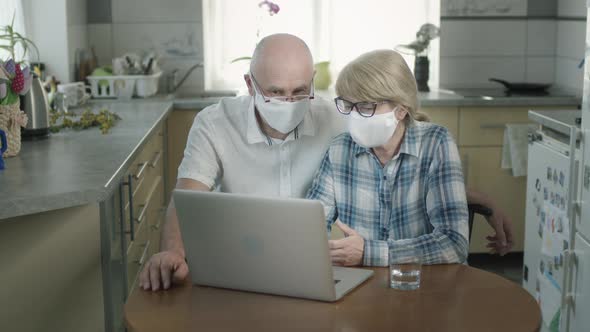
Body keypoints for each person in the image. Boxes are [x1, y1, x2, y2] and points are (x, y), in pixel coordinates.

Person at [140, 34, 514, 291]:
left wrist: (477, 199)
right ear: (250, 85)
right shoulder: (217, 123)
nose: (289, 103)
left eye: (299, 91)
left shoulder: (343, 122)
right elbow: (188, 196)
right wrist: (174, 251)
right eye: (275, 92)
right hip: (252, 261)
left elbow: (414, 172)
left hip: (406, 281)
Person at [306, 49, 468, 266]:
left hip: (424, 283)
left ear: (401, 109)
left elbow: (454, 245)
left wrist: (368, 252)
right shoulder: (340, 149)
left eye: (365, 106)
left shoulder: (435, 142)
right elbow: (311, 226)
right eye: (348, 105)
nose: (354, 116)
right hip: (361, 284)